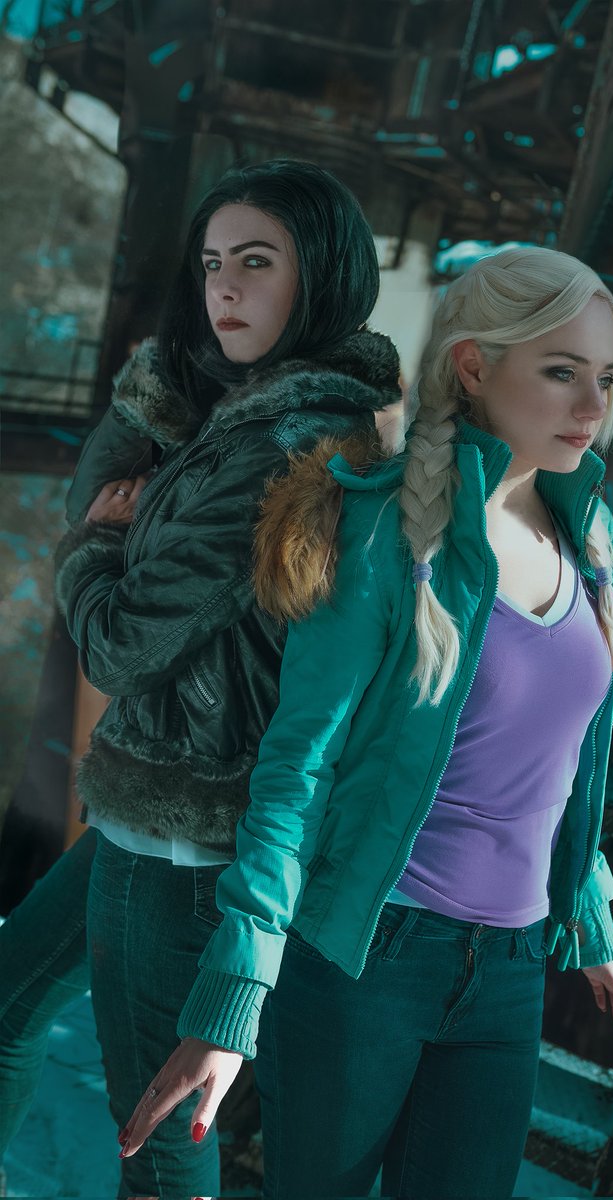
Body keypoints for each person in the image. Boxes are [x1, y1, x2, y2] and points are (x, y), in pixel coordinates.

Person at [123, 246, 613, 1200]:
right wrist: (233, 998)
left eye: (606, 378)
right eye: (562, 372)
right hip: (369, 958)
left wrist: (590, 915)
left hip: (511, 967)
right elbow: (299, 769)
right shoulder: (383, 530)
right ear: (474, 367)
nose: (592, 406)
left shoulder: (592, 537)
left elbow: (562, 767)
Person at [0, 158, 400, 1199]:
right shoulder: (249, 416)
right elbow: (110, 505)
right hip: (154, 805)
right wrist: (154, 395)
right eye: (214, 264)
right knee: (11, 1010)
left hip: (182, 837)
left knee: (158, 1141)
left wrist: (91, 553)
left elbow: (118, 646)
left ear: (321, 272)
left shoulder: (280, 446)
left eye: (256, 262)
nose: (224, 287)